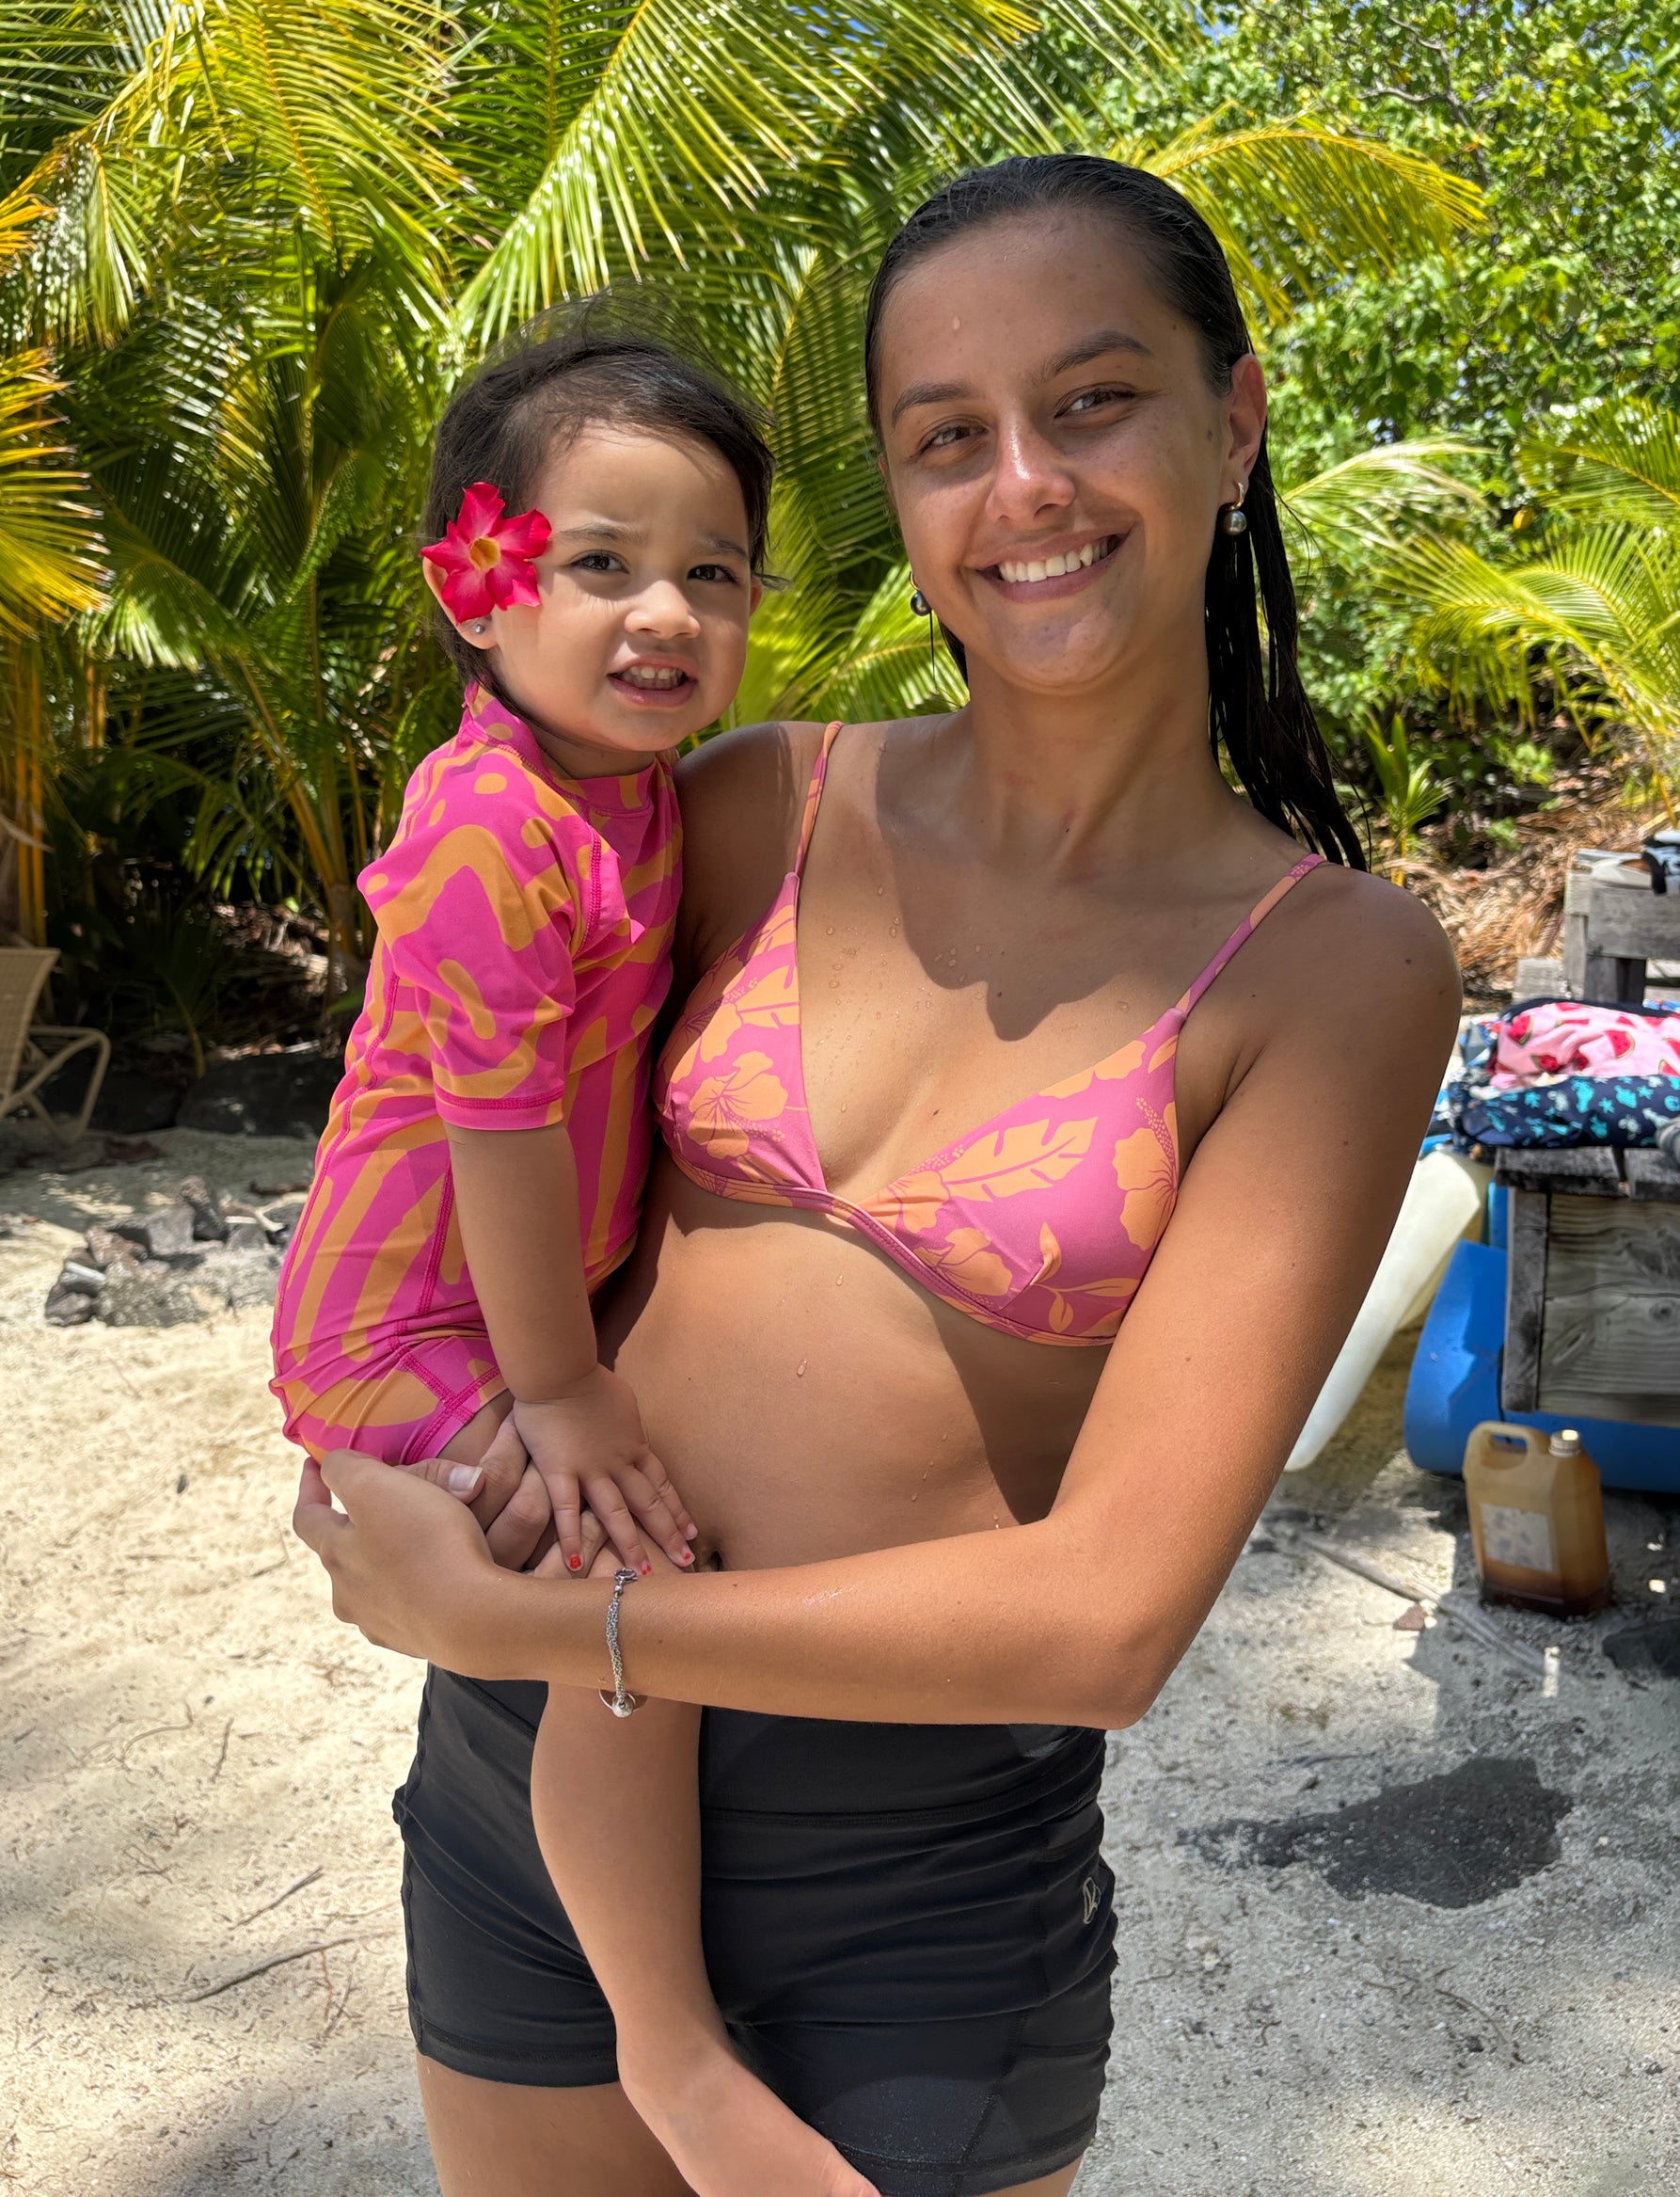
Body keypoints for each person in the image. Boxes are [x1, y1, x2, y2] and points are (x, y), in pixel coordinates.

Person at [293, 154, 1461, 2197]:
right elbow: (458, 1058)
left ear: (1233, 418)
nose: (1021, 482)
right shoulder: (745, 806)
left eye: (1088, 400)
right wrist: (397, 1417)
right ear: (903, 498)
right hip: (527, 1782)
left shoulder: (1327, 972)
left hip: (905, 1876)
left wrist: (587, 1619)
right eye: (945, 437)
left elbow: (1103, 1617)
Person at [272, 329, 870, 2192]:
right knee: (633, 1604)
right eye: (600, 562)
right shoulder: (488, 829)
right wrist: (561, 1381)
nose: (662, 610)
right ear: (477, 580)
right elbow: (500, 1130)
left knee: (621, 1580)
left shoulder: (634, 792)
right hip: (411, 1322)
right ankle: (670, 2053)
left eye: (712, 572)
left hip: (503, 1298)